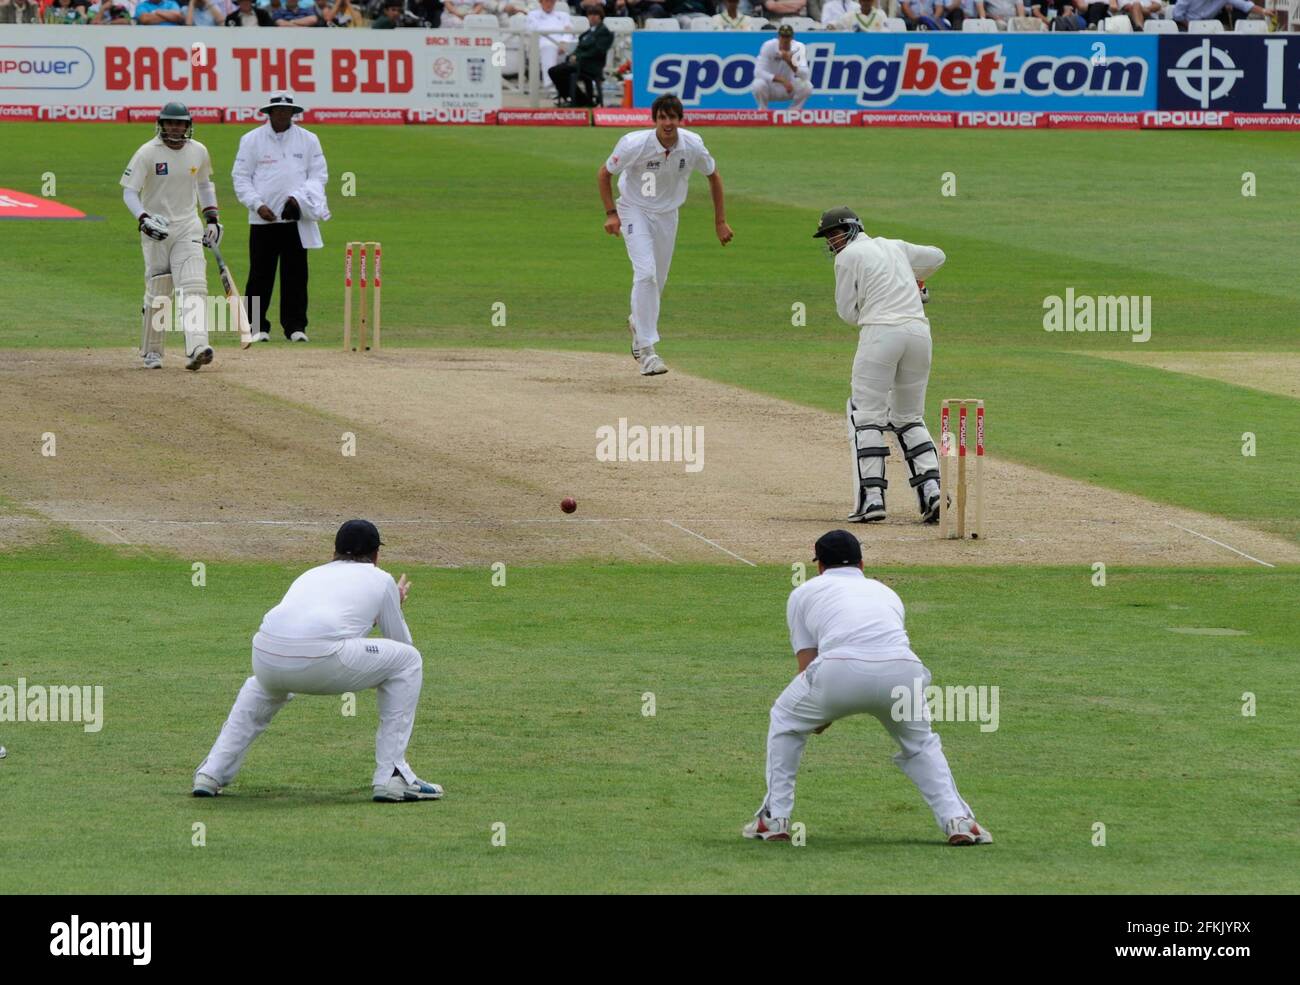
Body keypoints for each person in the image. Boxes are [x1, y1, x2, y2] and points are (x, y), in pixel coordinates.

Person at [743, 530, 991, 846]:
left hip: (839, 670)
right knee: (921, 744)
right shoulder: (886, 592)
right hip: (903, 669)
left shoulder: (804, 592)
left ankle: (775, 818)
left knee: (784, 719)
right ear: (862, 563)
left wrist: (819, 716)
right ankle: (959, 821)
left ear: (819, 566)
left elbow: (806, 669)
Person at [193, 520, 443, 803]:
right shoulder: (382, 579)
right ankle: (392, 776)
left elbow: (327, 629)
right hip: (321, 661)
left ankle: (211, 773)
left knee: (262, 687)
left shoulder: (310, 574)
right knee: (409, 660)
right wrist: (393, 605)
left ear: (333, 552)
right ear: (376, 555)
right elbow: (399, 644)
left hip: (265, 656)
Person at [813, 206, 944, 524]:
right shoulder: (894, 245)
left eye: (835, 233)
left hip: (880, 335)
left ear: (853, 228)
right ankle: (933, 493)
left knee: (866, 416)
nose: (833, 241)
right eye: (829, 237)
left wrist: (875, 303)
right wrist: (915, 282)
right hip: (919, 333)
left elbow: (847, 313)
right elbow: (937, 256)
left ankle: (872, 501)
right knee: (909, 417)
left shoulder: (848, 258)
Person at [598, 94, 733, 378]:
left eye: (673, 117)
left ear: (679, 120)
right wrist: (611, 213)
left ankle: (638, 322)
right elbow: (603, 174)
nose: (668, 123)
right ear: (655, 120)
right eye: (662, 118)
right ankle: (647, 352)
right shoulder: (634, 144)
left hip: (668, 215)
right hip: (633, 209)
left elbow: (714, 176)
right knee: (645, 274)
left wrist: (720, 221)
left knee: (656, 282)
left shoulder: (692, 144)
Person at [120, 103, 221, 371]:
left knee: (194, 284)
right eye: (170, 123)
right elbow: (129, 192)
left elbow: (204, 185)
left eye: (180, 123)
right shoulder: (147, 153)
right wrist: (143, 219)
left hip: (188, 226)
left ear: (188, 126)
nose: (175, 128)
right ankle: (152, 352)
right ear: (161, 124)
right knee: (160, 290)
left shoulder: (198, 151)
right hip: (157, 229)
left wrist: (212, 219)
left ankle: (198, 347)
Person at [231, 93, 329, 344]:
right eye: (278, 110)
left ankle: (295, 327)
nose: (284, 114)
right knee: (259, 275)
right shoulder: (251, 139)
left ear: (294, 112)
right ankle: (256, 327)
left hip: (296, 219)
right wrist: (257, 205)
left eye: (288, 110)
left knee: (296, 274)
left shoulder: (309, 139)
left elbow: (318, 176)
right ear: (269, 112)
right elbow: (241, 177)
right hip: (262, 219)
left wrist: (298, 198)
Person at [549, 6, 613, 106]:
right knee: (554, 71)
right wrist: (572, 56)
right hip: (580, 63)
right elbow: (579, 48)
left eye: (595, 15)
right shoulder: (586, 33)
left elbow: (598, 51)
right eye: (590, 15)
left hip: (592, 66)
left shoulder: (604, 32)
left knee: (557, 71)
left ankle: (579, 100)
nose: (592, 17)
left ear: (601, 17)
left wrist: (578, 57)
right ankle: (578, 99)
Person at [751, 25, 812, 112]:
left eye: (787, 37)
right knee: (758, 84)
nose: (785, 40)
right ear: (778, 37)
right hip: (770, 86)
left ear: (792, 37)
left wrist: (790, 62)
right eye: (783, 36)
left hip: (789, 88)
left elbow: (805, 75)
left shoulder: (798, 48)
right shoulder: (769, 46)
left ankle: (793, 113)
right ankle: (763, 111)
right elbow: (758, 72)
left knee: (807, 86)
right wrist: (782, 80)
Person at [528, 0, 575, 93]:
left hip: (563, 45)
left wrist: (564, 41)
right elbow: (533, 30)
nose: (549, 4)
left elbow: (569, 31)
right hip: (542, 44)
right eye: (546, 1)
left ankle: (568, 89)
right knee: (548, 47)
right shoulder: (533, 15)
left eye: (552, 1)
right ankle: (549, 87)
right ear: (541, 2)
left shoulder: (563, 15)